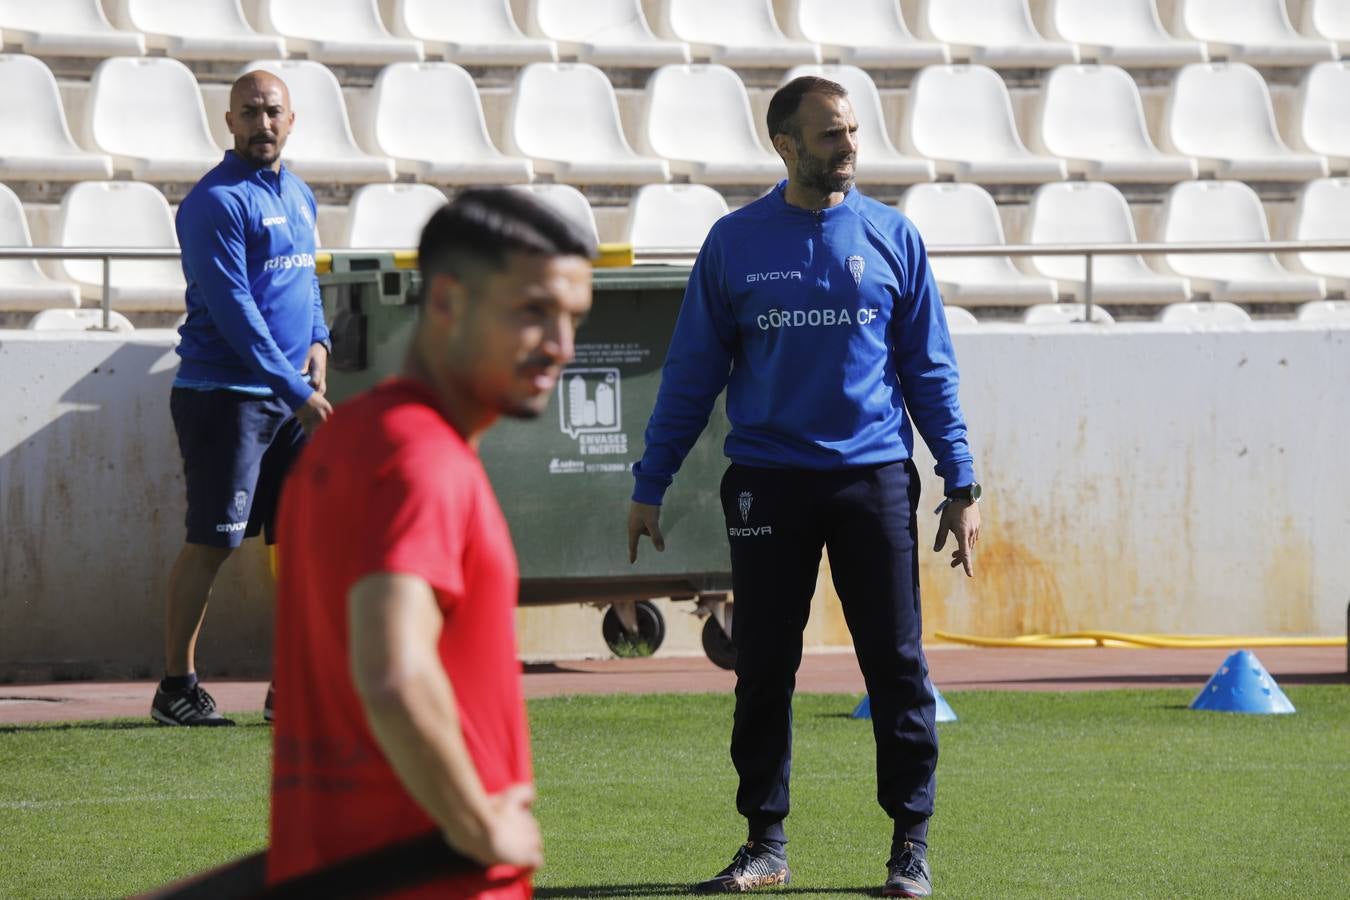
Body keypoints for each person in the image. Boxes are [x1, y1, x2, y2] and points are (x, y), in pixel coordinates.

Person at [626, 76, 982, 898]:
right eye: (830, 135)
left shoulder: (895, 237)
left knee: (895, 665)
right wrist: (652, 481)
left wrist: (958, 482)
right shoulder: (734, 242)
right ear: (785, 146)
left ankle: (910, 846)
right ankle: (765, 843)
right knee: (763, 666)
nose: (849, 146)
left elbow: (930, 370)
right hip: (767, 484)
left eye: (853, 131)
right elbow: (690, 375)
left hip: (872, 480)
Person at [266, 189, 595, 898]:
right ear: (447, 300)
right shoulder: (423, 461)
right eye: (534, 311)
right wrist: (481, 828)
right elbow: (394, 673)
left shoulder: (349, 440)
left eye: (573, 318)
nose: (562, 347)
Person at [152, 71, 332, 727]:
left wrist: (319, 340)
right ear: (227, 122)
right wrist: (292, 389)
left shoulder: (301, 194)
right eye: (250, 113)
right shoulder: (214, 203)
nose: (263, 123)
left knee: (305, 544)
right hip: (225, 398)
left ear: (293, 119)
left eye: (273, 112)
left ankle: (294, 687)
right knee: (214, 543)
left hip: (289, 401)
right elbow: (236, 312)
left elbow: (304, 280)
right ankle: (176, 687)